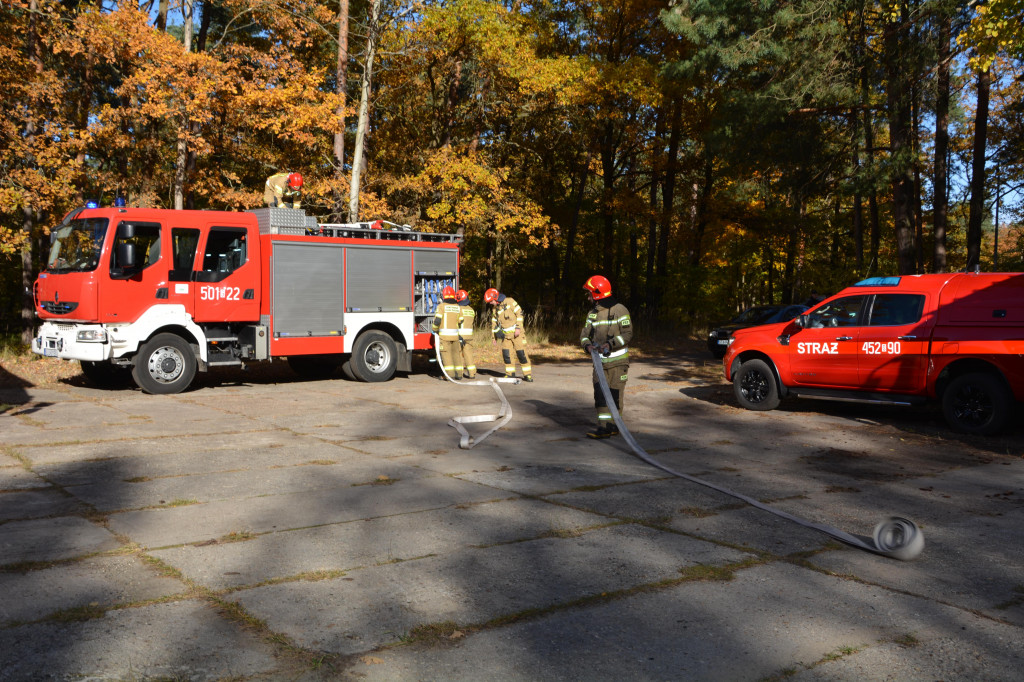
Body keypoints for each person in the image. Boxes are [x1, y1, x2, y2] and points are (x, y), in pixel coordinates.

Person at [580, 275, 632, 439]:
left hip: (618, 363)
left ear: (597, 294)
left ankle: (614, 426)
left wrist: (610, 344)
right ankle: (603, 427)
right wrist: (587, 345)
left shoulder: (620, 310)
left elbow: (628, 333)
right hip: (600, 364)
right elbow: (584, 335)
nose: (588, 297)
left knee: (615, 395)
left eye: (589, 294)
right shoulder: (592, 314)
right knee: (601, 395)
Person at [484, 287, 533, 381]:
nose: (490, 303)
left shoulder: (510, 301)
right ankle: (510, 374)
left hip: (517, 334)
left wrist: (518, 328)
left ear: (495, 297)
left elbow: (520, 314)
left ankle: (527, 375)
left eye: (491, 301)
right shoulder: (495, 309)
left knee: (521, 354)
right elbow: (494, 323)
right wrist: (493, 337)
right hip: (506, 336)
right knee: (507, 355)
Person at [432, 286, 464, 379]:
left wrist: (434, 330)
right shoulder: (458, 307)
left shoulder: (441, 306)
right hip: (455, 336)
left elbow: (437, 320)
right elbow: (461, 321)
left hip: (445, 337)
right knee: (456, 355)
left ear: (444, 296)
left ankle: (449, 375)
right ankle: (459, 374)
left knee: (447, 355)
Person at [456, 289, 477, 379]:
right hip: (469, 336)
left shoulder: (459, 309)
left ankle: (459, 374)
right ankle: (472, 373)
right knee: (468, 355)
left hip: (460, 336)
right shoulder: (471, 310)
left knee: (459, 355)